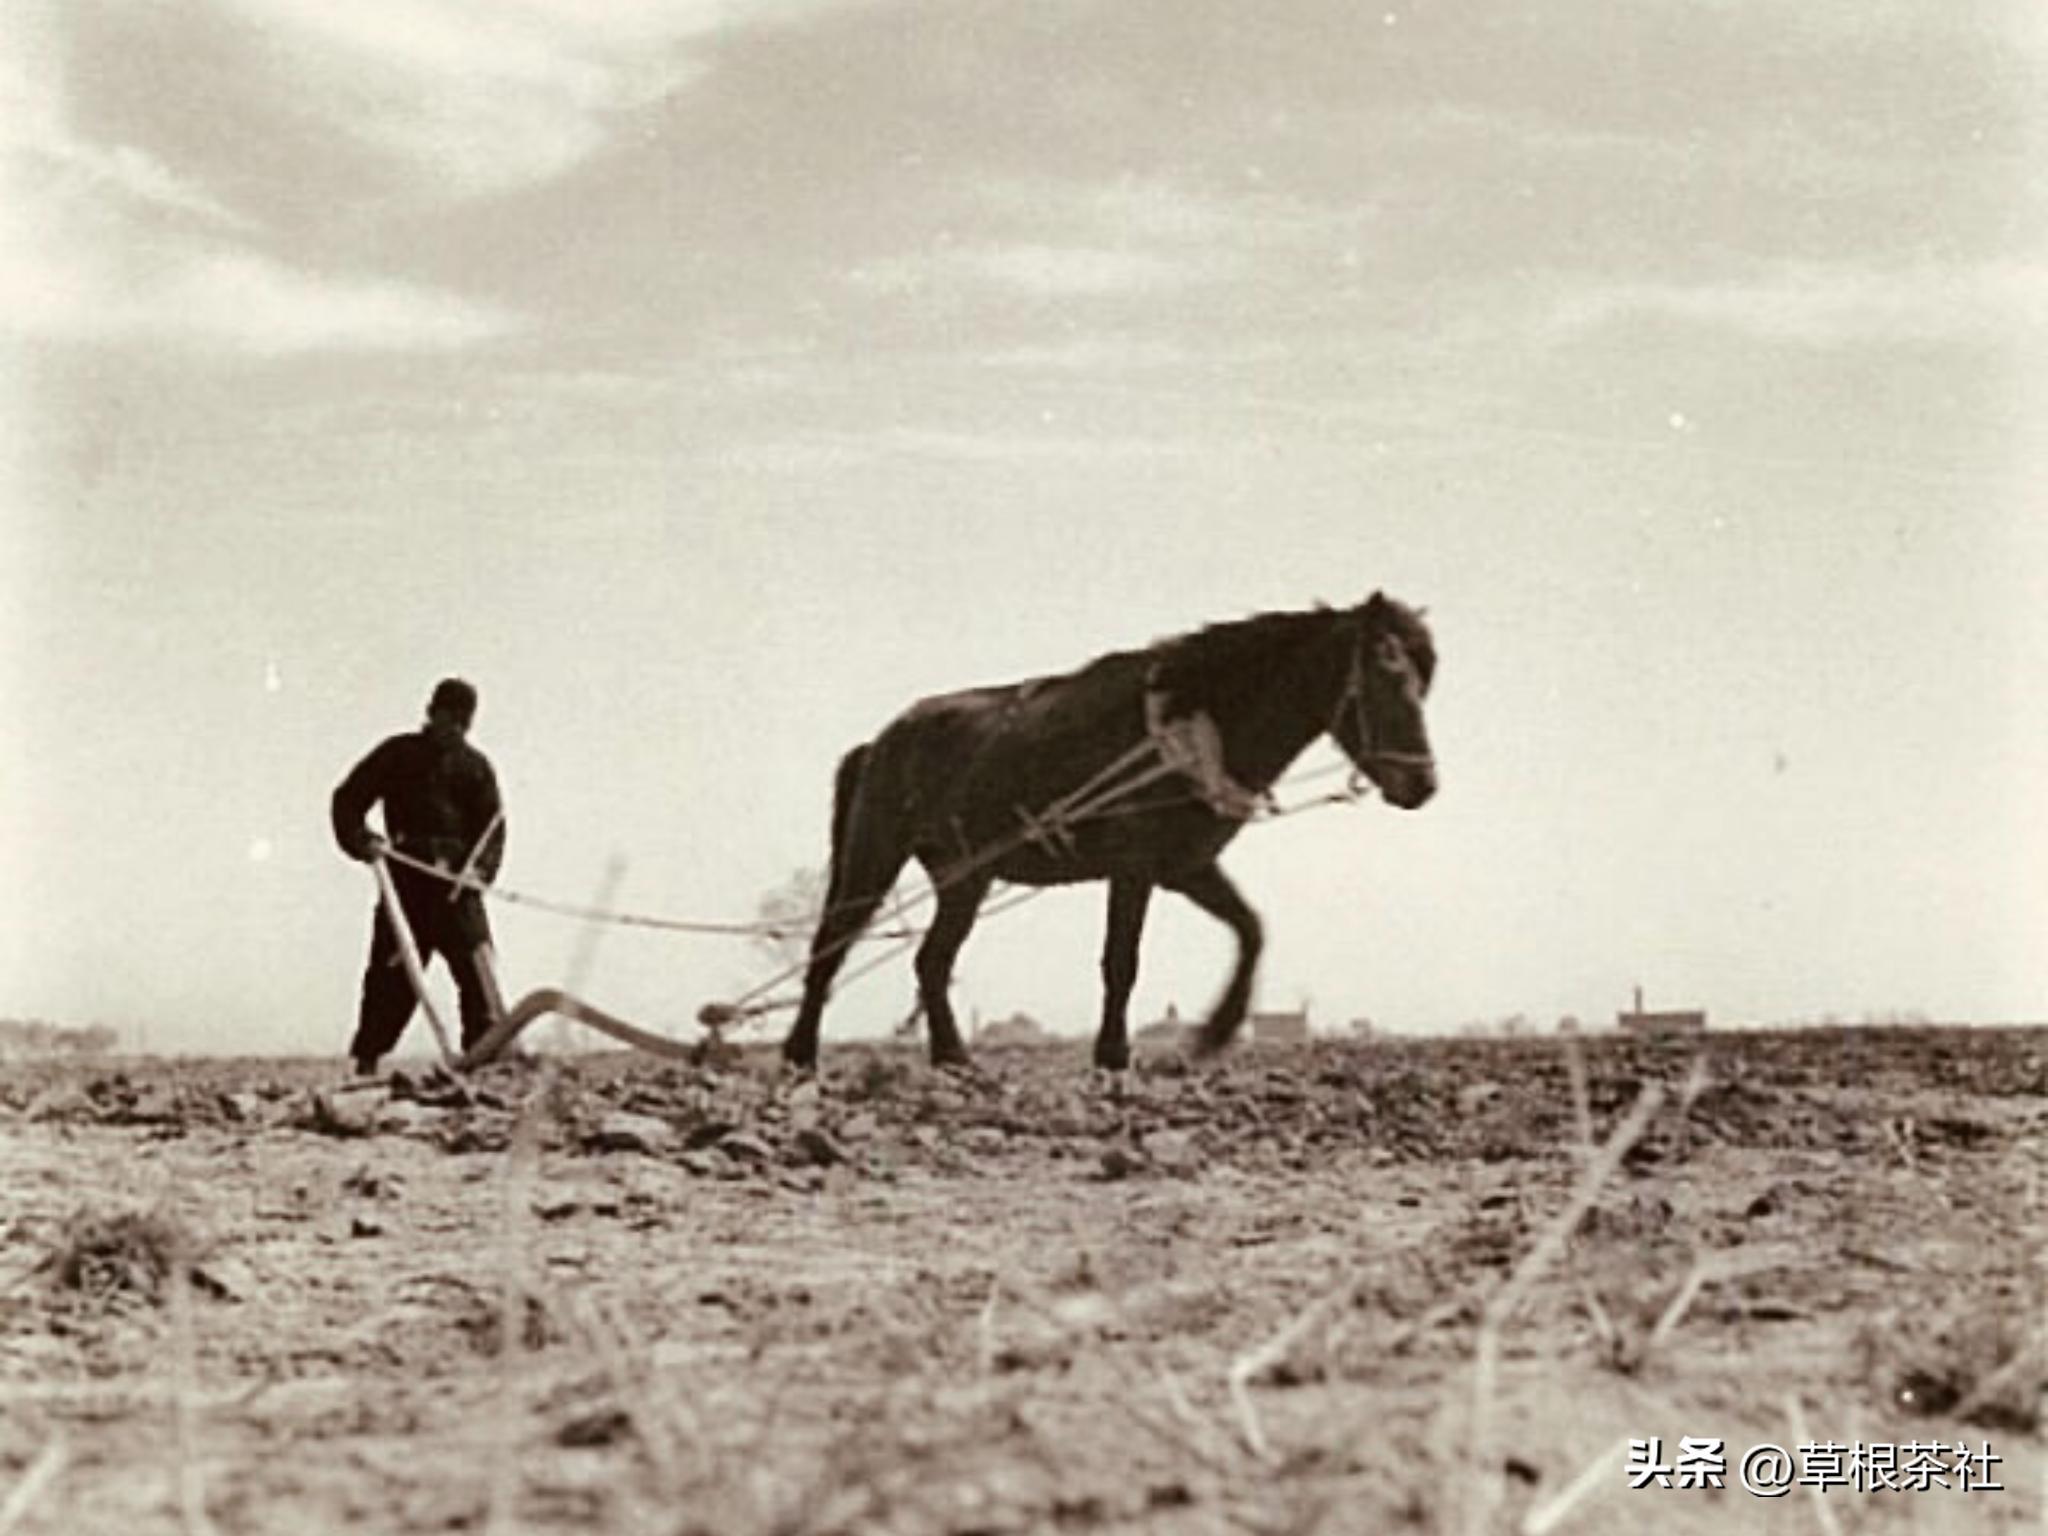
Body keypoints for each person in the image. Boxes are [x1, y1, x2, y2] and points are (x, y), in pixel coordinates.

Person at [331, 678, 507, 1074]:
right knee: (391, 976)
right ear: (432, 712)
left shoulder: (476, 768)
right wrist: (362, 841)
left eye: (463, 721)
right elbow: (347, 800)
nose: (454, 727)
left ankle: (483, 1062)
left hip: (458, 889)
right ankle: (367, 1063)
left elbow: (493, 828)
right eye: (448, 717)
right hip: (407, 883)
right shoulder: (398, 754)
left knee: (479, 972)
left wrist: (480, 870)